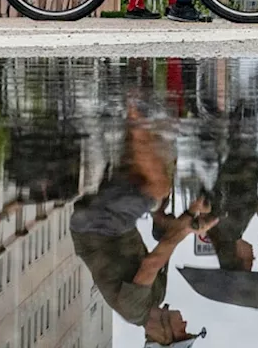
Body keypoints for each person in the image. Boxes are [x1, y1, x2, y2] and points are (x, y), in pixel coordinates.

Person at [70, 108, 216, 345]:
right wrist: (192, 213)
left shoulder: (134, 311)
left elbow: (151, 263)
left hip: (98, 228)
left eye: (182, 333)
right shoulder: (158, 295)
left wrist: (186, 229)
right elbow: (166, 242)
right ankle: (130, 112)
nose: (185, 325)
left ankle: (136, 111)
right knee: (151, 165)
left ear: (162, 337)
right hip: (116, 225)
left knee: (157, 188)